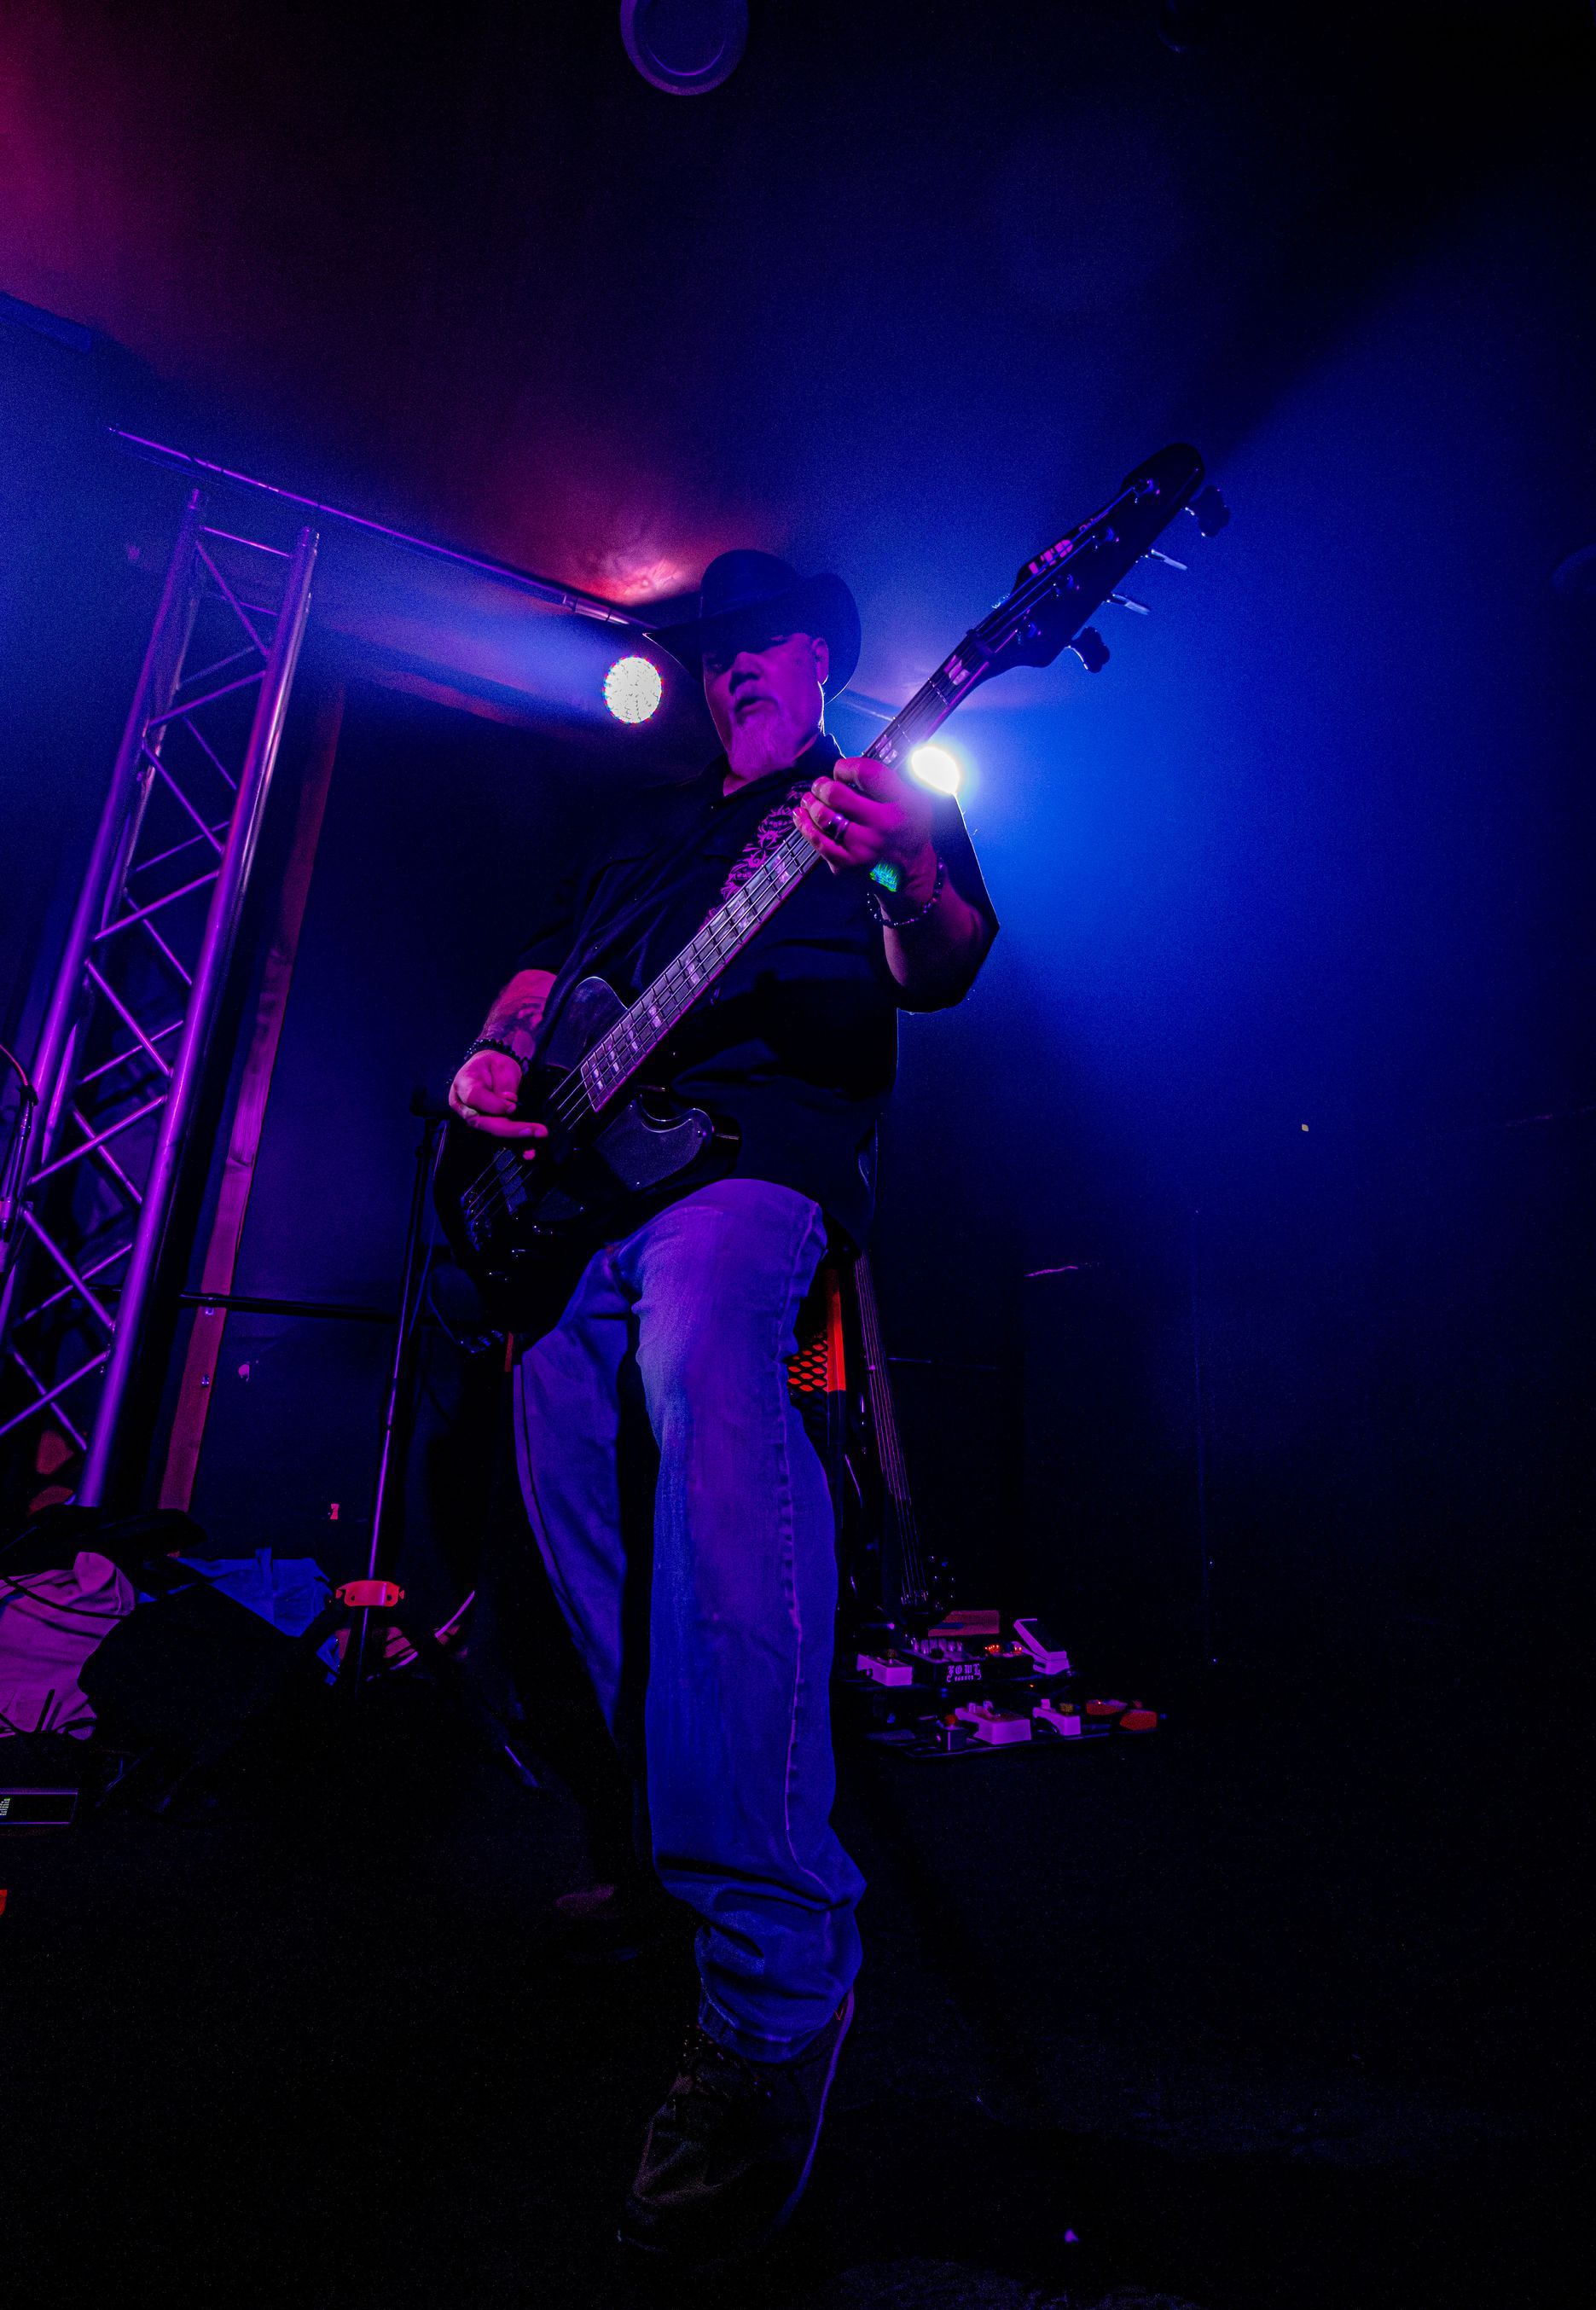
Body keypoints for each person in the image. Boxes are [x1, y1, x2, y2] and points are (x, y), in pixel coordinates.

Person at [448, 549, 998, 2263]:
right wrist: (494, 1059)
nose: (733, 668)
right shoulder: (635, 829)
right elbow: (535, 984)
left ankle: (774, 1955)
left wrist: (905, 864)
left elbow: (942, 960)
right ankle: (663, 1850)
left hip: (752, 1161)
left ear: (823, 655)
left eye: (763, 642)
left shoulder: (878, 794)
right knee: (569, 1519)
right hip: (572, 1202)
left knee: (703, 1373)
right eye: (714, 652)